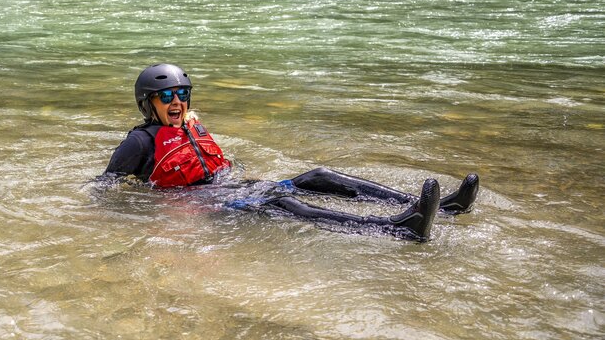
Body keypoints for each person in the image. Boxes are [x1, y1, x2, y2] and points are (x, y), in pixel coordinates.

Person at [101, 63, 480, 242]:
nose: (176, 101)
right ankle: (393, 228)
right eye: (166, 96)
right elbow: (104, 186)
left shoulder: (188, 124)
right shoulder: (139, 142)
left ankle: (440, 208)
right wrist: (140, 208)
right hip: (209, 205)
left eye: (182, 94)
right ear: (147, 104)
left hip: (234, 186)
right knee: (283, 202)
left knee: (317, 176)